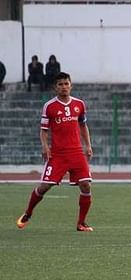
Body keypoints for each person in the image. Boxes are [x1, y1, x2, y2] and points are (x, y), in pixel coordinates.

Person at [16, 72, 94, 232]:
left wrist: (88, 146)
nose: (64, 87)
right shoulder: (50, 106)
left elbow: (83, 126)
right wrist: (45, 147)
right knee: (45, 186)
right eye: (60, 84)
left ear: (71, 85)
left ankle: (81, 223)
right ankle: (28, 213)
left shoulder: (79, 104)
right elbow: (43, 130)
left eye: (66, 84)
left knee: (86, 186)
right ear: (55, 87)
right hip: (58, 154)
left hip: (77, 152)